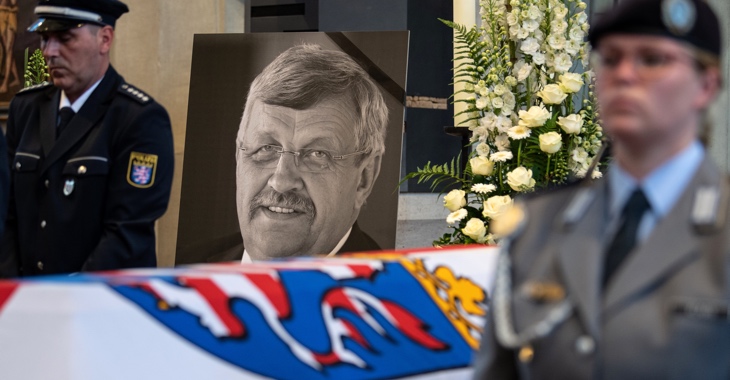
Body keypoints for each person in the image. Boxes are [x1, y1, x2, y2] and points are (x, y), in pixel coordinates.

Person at [473, 0, 728, 378]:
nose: (624, 74)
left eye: (652, 59)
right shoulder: (539, 223)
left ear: (705, 86)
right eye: (610, 59)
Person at [0, 0, 174, 277]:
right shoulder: (26, 109)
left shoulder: (138, 119)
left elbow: (126, 233)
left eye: (65, 38)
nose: (49, 52)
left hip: (100, 303)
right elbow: (5, 214)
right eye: (45, 39)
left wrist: (70, 296)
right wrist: (12, 288)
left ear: (104, 39)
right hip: (24, 302)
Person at [234, 44, 387, 262]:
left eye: (317, 154)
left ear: (364, 178)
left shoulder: (389, 291)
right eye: (266, 148)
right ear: (239, 158)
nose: (281, 181)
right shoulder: (185, 265)